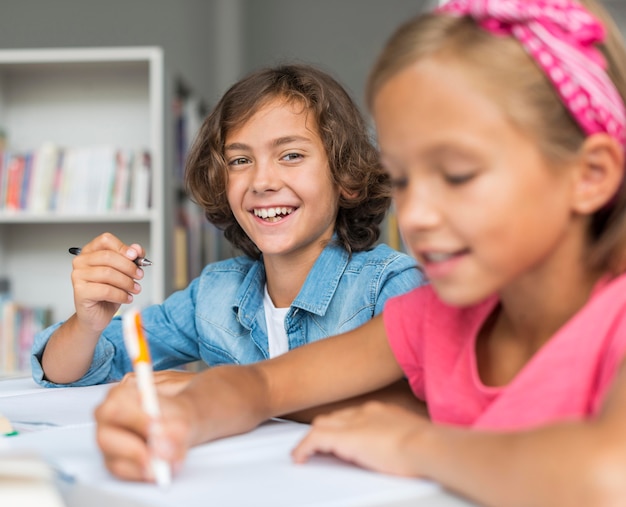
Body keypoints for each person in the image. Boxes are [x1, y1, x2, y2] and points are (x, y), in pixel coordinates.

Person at [95, 0, 626, 504]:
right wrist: (180, 413)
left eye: (458, 174)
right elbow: (262, 384)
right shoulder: (433, 319)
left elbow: (608, 479)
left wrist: (413, 444)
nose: (414, 214)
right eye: (404, 179)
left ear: (590, 175)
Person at [31, 64, 422, 400]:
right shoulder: (213, 296)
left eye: (291, 155)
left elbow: (415, 409)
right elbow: (69, 372)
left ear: (346, 178)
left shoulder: (390, 286)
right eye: (239, 160)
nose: (262, 181)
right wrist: (87, 324)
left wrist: (218, 391)